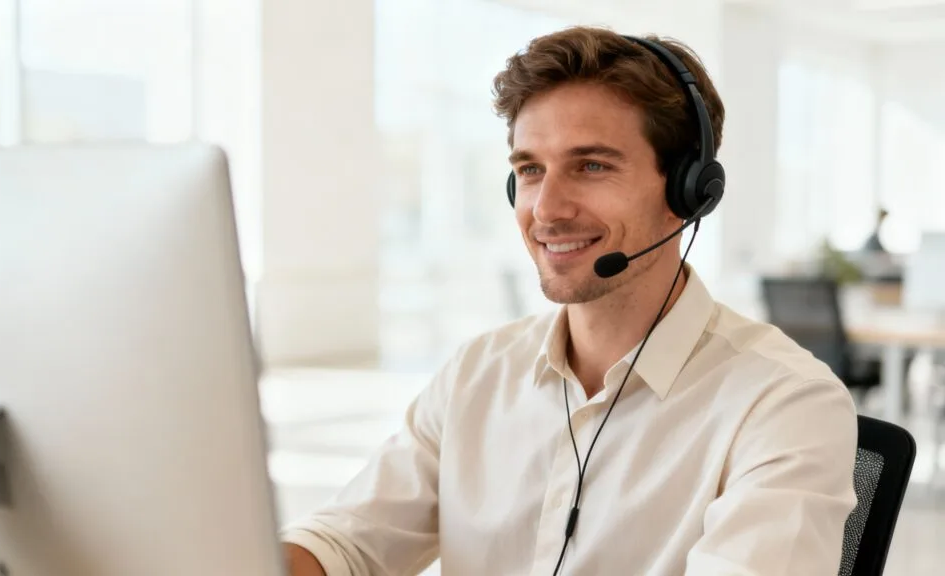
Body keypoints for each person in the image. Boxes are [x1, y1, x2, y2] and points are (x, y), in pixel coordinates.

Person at [281, 26, 858, 575]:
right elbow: (346, 544)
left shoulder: (784, 404)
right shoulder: (477, 375)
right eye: (530, 170)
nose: (547, 209)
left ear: (689, 190)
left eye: (591, 165)